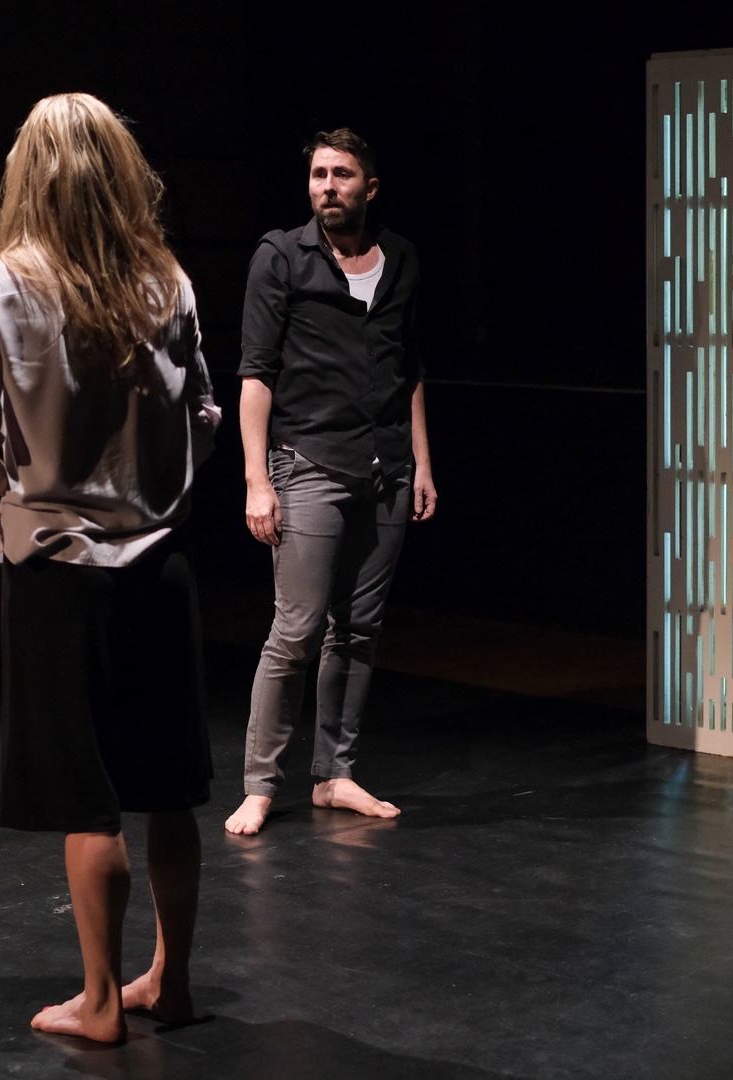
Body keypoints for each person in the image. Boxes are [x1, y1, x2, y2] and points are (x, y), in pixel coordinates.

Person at [0, 93, 221, 1044]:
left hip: (56, 569)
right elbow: (205, 421)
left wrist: (34, 489)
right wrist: (151, 490)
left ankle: (102, 1000)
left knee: (87, 795)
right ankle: (171, 983)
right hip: (161, 564)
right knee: (169, 788)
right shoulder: (168, 282)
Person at [223, 128, 438, 837]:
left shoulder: (400, 258)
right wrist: (257, 480)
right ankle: (260, 784)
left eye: (341, 175)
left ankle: (334, 775)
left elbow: (409, 369)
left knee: (360, 630)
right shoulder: (282, 256)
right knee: (297, 630)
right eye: (318, 174)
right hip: (309, 463)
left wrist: (422, 462)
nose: (327, 187)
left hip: (387, 470)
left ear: (368, 187)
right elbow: (256, 374)